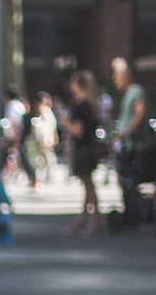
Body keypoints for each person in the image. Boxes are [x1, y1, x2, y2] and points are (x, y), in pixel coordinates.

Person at [61, 70, 102, 235]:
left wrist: (65, 123)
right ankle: (83, 218)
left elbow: (78, 130)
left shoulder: (80, 105)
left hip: (83, 148)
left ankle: (94, 219)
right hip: (90, 147)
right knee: (88, 184)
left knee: (88, 185)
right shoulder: (92, 104)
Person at [110, 57, 150, 226]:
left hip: (131, 144)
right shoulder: (127, 94)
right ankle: (130, 211)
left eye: (117, 77)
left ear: (126, 77)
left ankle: (135, 212)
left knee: (129, 178)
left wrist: (128, 131)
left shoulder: (136, 91)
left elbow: (140, 112)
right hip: (124, 142)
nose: (115, 81)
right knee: (124, 178)